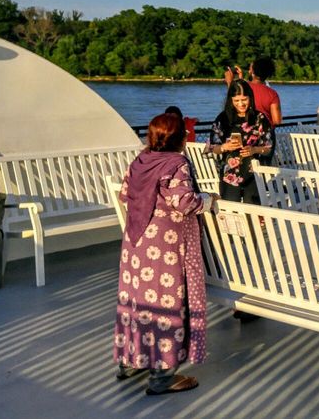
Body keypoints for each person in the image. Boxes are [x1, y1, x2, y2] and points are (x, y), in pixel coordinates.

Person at [114, 113, 219, 395]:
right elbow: (184, 202)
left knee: (138, 301)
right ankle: (162, 376)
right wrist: (209, 200)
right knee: (168, 304)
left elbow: (125, 194)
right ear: (178, 138)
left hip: (137, 244)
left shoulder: (141, 161)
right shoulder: (176, 163)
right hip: (167, 247)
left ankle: (131, 361)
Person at [208, 80, 272, 204]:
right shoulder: (223, 118)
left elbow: (268, 147)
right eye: (236, 100)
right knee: (231, 209)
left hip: (253, 172)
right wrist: (224, 147)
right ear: (230, 100)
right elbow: (212, 147)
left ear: (250, 98)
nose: (241, 104)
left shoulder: (260, 118)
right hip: (229, 174)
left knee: (253, 210)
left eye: (244, 100)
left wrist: (254, 149)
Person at [225, 57, 281, 165]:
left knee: (241, 166)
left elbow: (232, 105)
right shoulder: (272, 94)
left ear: (252, 71)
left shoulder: (242, 88)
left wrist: (229, 83)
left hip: (242, 133)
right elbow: (277, 120)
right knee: (264, 168)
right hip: (264, 136)